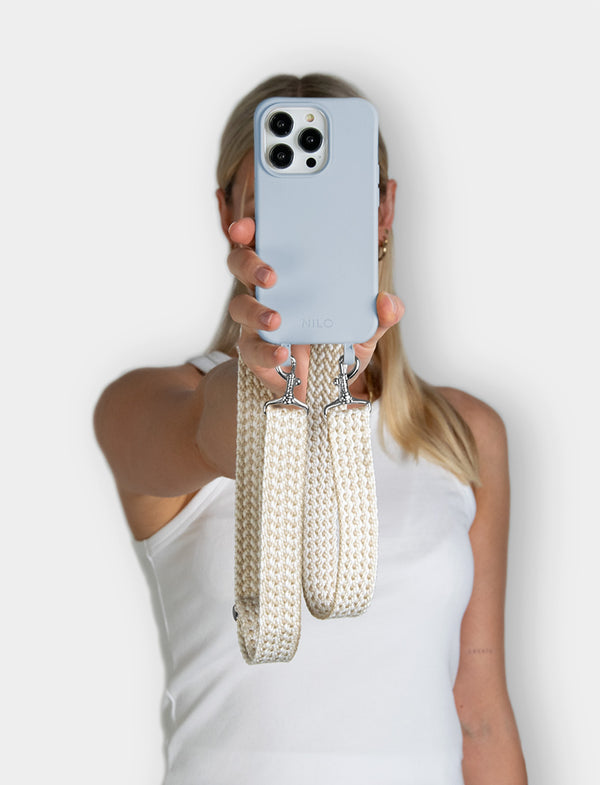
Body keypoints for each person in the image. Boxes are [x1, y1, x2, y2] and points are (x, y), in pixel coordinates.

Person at [93, 73, 528, 785]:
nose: (309, 225)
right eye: (275, 202)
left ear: (384, 209)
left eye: (339, 199)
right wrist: (271, 382)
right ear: (229, 213)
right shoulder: (146, 404)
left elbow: (479, 710)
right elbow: (208, 434)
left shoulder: (465, 433)